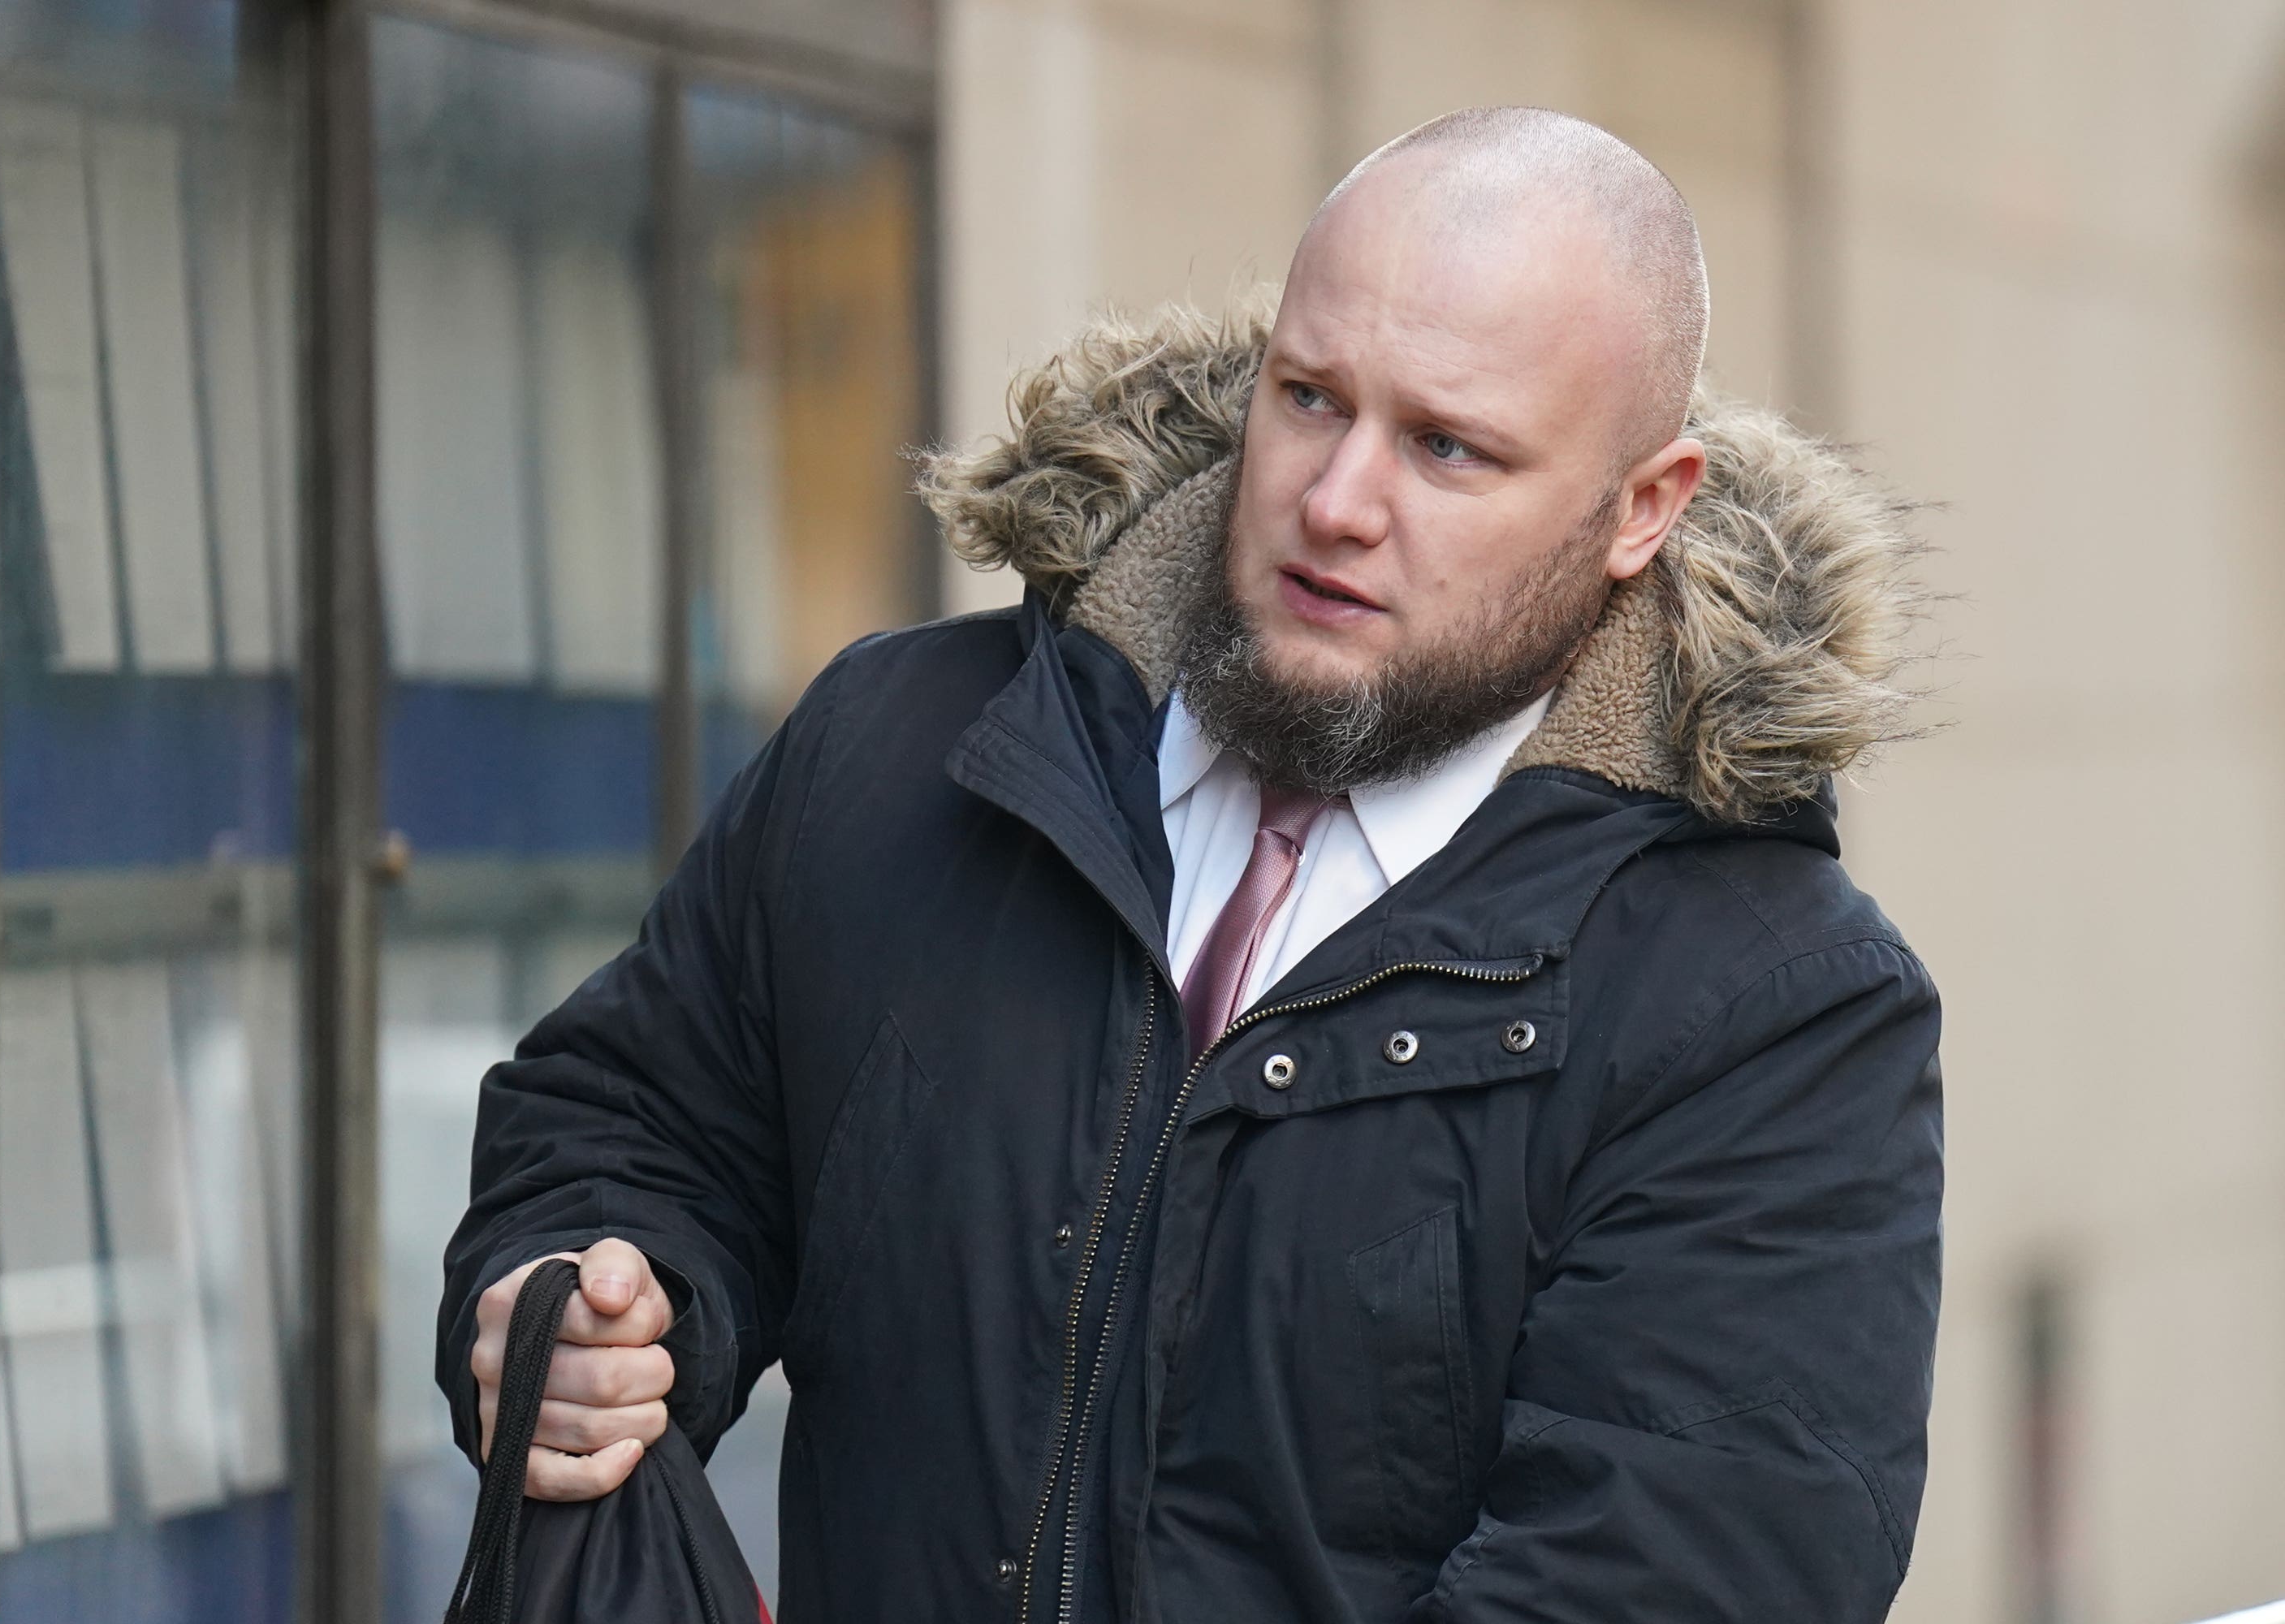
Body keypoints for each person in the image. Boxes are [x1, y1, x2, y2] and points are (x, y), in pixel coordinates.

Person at [440, 106, 1944, 1623]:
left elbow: (1672, 1577)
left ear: (1641, 511)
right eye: (1308, 397)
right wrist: (595, 1308)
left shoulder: (1778, 1008)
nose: (1339, 502)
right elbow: (635, 1119)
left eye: (1446, 447)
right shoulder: (903, 746)